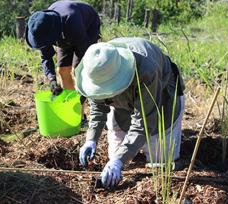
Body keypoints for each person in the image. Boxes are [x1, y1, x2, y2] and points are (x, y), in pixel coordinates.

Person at [76, 37, 185, 188]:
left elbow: (144, 122)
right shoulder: (97, 67)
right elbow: (97, 105)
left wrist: (118, 161)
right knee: (116, 154)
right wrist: (91, 139)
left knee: (160, 162)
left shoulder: (147, 70)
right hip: (123, 105)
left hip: (160, 99)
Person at [25, 0, 101, 124]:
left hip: (87, 27)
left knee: (78, 72)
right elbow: (46, 57)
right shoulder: (43, 27)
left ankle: (85, 114)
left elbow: (86, 59)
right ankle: (74, 115)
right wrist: (52, 80)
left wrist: (81, 96)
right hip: (61, 31)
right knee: (62, 70)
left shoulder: (72, 23)